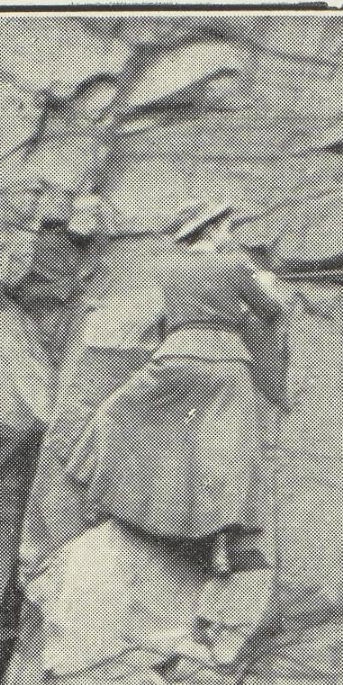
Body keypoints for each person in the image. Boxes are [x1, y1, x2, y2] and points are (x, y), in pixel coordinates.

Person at [67, 202, 288, 574]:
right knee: (230, 451)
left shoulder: (166, 268)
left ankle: (99, 493)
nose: (229, 234)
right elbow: (270, 312)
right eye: (225, 227)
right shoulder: (235, 267)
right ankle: (224, 547)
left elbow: (173, 313)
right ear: (214, 231)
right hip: (228, 365)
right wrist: (262, 285)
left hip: (177, 358)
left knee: (115, 414)